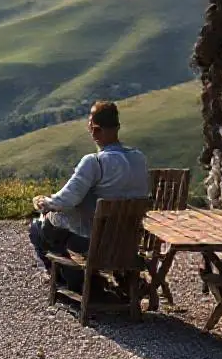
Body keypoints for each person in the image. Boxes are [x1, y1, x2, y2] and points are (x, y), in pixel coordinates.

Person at [28, 100, 149, 291]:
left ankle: (73, 280)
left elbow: (66, 200)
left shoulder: (95, 162)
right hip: (128, 241)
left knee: (39, 228)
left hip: (96, 242)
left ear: (94, 130)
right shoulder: (139, 158)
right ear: (117, 127)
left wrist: (45, 201)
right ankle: (108, 278)